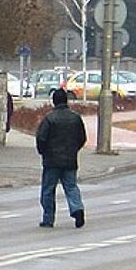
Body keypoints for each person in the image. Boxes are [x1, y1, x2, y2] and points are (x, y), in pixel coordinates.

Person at [35, 87, 87, 229]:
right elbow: (82, 138)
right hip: (70, 160)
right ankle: (77, 209)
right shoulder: (75, 118)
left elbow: (41, 138)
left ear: (54, 101)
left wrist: (43, 152)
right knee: (71, 187)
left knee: (48, 190)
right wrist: (74, 150)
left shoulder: (49, 118)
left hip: (51, 161)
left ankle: (48, 219)